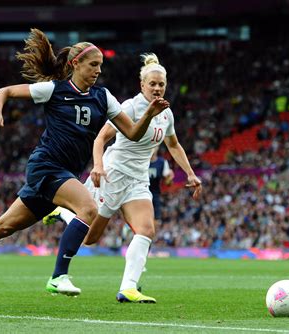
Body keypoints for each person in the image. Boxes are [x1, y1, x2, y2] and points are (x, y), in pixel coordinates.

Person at [0, 29, 170, 295]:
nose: (98, 70)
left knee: (2, 227)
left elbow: (133, 134)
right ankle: (58, 276)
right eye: (93, 65)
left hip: (64, 173)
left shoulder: (104, 98)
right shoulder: (54, 90)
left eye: (100, 66)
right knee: (88, 208)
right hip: (46, 166)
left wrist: (148, 114)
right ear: (75, 64)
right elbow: (4, 91)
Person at [45, 53, 201, 303]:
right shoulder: (130, 107)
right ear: (142, 85)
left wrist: (191, 174)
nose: (157, 88)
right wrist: (98, 166)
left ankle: (128, 288)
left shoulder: (166, 114)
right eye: (152, 84)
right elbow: (100, 139)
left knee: (146, 229)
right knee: (90, 238)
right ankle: (62, 212)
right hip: (113, 174)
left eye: (161, 84)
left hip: (138, 180)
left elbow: (173, 144)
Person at [148, 147, 174, 224]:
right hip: (141, 193)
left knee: (156, 220)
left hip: (155, 194)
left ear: (158, 147)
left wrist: (170, 178)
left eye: (154, 146)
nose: (152, 148)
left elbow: (168, 183)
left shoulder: (162, 162)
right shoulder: (142, 160)